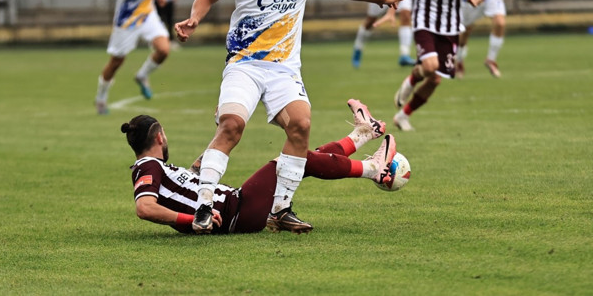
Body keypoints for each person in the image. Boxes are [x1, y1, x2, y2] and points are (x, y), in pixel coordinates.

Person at [174, 0, 403, 234]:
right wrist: (195, 18)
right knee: (231, 126)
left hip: (284, 69)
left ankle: (281, 209)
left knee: (301, 124)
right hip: (245, 65)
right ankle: (203, 204)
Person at [126, 100, 396, 234]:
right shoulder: (147, 166)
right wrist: (193, 221)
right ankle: (373, 168)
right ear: (160, 137)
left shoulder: (160, 170)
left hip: (240, 207)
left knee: (299, 158)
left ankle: (363, 134)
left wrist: (222, 130)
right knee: (290, 160)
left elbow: (198, 171)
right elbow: (144, 208)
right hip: (238, 210)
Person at [380, 0, 485, 132]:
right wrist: (392, 12)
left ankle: (402, 116)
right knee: (430, 67)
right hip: (424, 23)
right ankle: (411, 80)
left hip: (451, 26)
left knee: (435, 80)